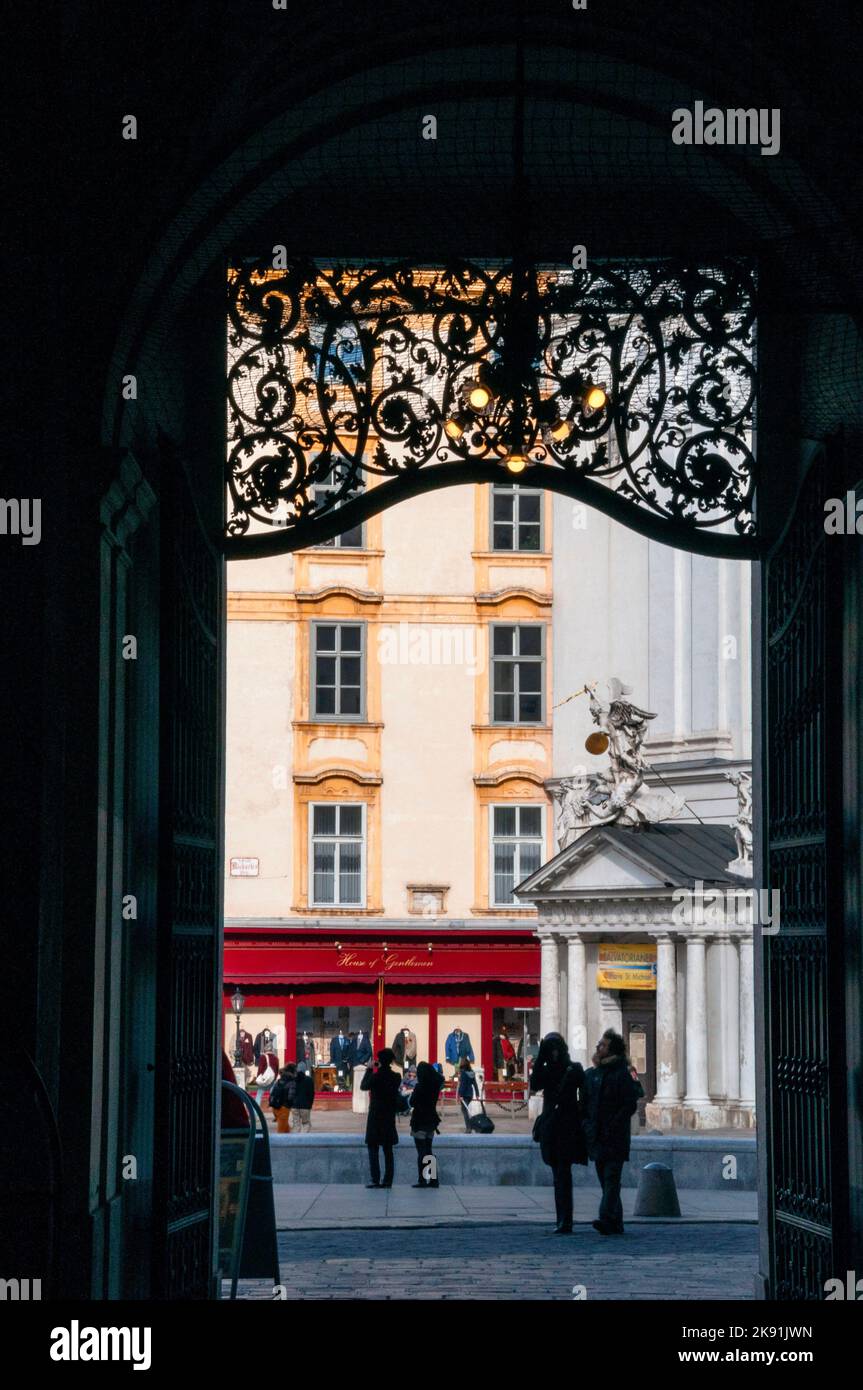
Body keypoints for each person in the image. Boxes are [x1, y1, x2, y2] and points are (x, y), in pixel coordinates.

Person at [581, 1028, 643, 1235]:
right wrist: (587, 1126)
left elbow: (630, 1104)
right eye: (599, 1044)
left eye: (603, 1045)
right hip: (597, 1135)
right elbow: (585, 1104)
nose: (599, 1047)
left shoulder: (622, 1073)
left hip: (615, 1136)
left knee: (611, 1178)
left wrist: (614, 1124)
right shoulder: (592, 1074)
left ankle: (606, 1217)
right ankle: (616, 1222)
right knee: (606, 1180)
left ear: (612, 1049)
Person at [529, 1032, 587, 1235]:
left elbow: (585, 1094)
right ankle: (562, 1218)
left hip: (565, 1126)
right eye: (549, 1049)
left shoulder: (574, 1069)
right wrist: (540, 1059)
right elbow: (534, 1084)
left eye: (554, 1049)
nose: (553, 1053)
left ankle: (565, 1220)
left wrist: (579, 1111)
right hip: (554, 1126)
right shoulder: (549, 1071)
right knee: (559, 1174)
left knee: (562, 1174)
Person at [361, 1047, 401, 1187]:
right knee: (388, 1149)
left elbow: (363, 1086)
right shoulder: (396, 1077)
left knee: (373, 1148)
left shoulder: (376, 1077)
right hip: (388, 1115)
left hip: (376, 1115)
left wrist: (369, 1069)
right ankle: (388, 1180)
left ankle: (375, 1179)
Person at [409, 1061, 444, 1188]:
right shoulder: (435, 1086)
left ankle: (422, 1180)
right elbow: (441, 1078)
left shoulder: (420, 1087)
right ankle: (433, 1179)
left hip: (419, 1121)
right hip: (431, 1121)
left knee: (421, 1152)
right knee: (429, 1151)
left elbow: (412, 1102)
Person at [268, 1064, 296, 1134]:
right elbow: (291, 1097)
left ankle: (291, 1142)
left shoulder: (279, 1081)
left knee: (286, 1129)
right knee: (281, 1132)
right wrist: (291, 1105)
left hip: (275, 1106)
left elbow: (271, 1092)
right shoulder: (292, 1082)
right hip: (284, 1108)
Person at [457, 1055, 479, 1132]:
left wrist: (461, 1095)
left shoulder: (463, 1073)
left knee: (464, 1111)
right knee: (465, 1110)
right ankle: (470, 1126)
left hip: (464, 1094)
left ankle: (469, 1128)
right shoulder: (472, 1073)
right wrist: (477, 1094)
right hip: (470, 1094)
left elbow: (463, 1085)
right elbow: (475, 1084)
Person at [292, 1063, 315, 1131]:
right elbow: (311, 1094)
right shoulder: (309, 1080)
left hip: (294, 1105)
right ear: (305, 1070)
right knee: (306, 1124)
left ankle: (295, 1139)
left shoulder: (293, 1080)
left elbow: (290, 1093)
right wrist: (310, 1105)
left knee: (296, 1125)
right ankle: (304, 1139)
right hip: (305, 1106)